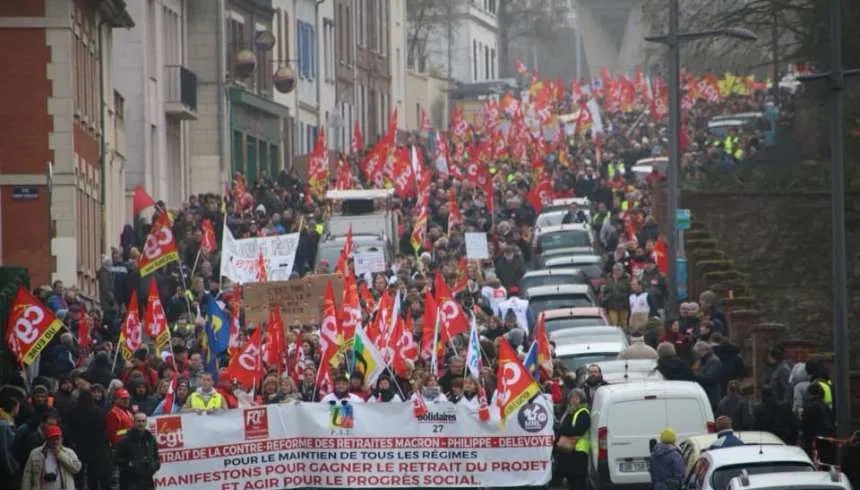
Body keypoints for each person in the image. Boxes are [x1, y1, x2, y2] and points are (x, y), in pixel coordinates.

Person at [20, 424, 81, 490]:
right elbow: (27, 475)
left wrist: (60, 454)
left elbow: (76, 468)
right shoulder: (35, 453)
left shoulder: (69, 452)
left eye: (58, 438)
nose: (55, 442)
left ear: (62, 438)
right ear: (47, 439)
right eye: (53, 439)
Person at [114, 412, 160, 490]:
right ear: (134, 422)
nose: (141, 423)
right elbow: (116, 459)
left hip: (147, 480)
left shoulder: (151, 438)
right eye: (138, 421)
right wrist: (131, 465)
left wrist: (154, 466)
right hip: (130, 482)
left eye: (143, 421)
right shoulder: (124, 440)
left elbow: (156, 457)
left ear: (146, 422)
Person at [555, 388, 590, 490]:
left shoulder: (583, 413)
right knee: (571, 482)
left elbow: (577, 430)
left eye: (576, 398)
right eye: (572, 398)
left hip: (578, 453)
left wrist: (562, 429)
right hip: (569, 452)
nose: (573, 400)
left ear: (581, 399)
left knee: (578, 482)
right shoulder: (570, 412)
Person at [693, 341, 723, 412]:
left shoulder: (714, 361)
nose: (697, 355)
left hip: (711, 395)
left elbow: (711, 378)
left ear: (703, 350)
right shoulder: (703, 360)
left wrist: (695, 375)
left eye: (697, 353)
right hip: (707, 392)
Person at [0, 396, 20, 488]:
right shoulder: (4, 425)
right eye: (18, 407)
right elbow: (4, 448)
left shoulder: (9, 421)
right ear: (14, 407)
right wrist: (10, 467)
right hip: (5, 466)